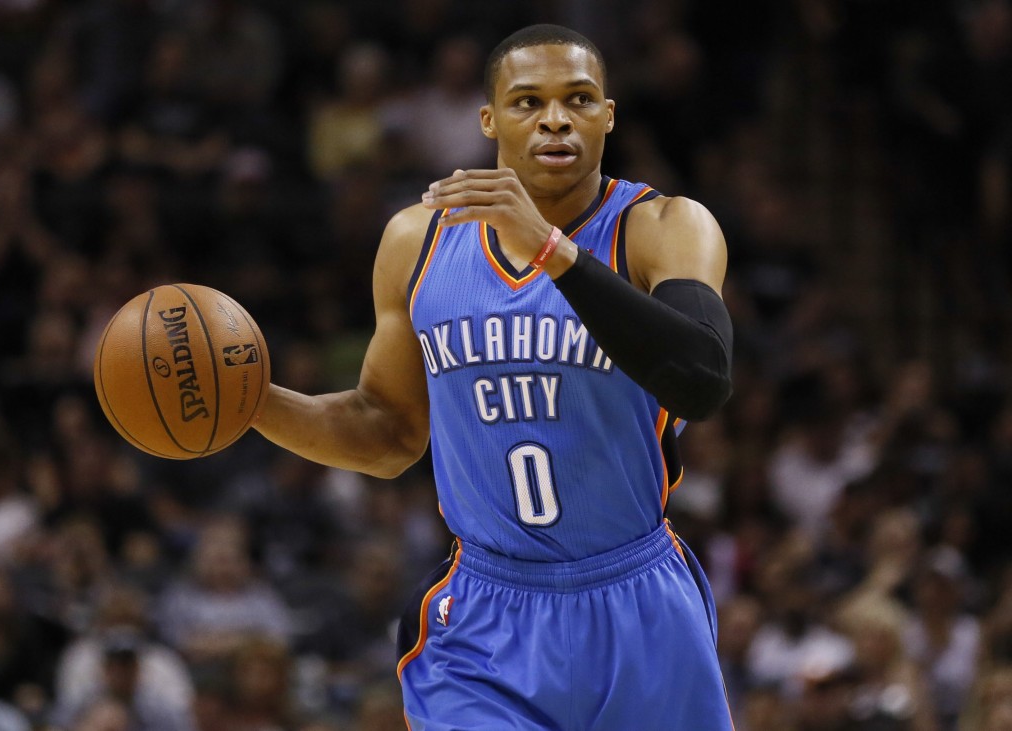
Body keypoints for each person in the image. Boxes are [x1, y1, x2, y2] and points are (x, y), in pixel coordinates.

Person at [254, 23, 735, 730]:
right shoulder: (416, 241)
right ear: (489, 119)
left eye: (578, 99)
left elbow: (701, 378)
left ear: (608, 115)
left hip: (638, 599)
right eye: (527, 101)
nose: (554, 118)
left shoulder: (664, 226)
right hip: (483, 617)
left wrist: (551, 251)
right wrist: (252, 404)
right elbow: (386, 431)